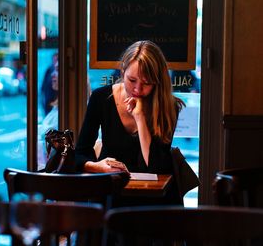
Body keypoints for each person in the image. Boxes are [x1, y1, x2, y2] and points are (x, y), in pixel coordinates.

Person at [75, 40, 185, 205]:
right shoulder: (101, 98)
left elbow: (156, 167)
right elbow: (79, 154)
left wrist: (140, 118)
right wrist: (98, 167)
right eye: (132, 80)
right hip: (112, 193)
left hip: (155, 200)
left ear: (157, 82)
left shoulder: (168, 107)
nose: (138, 89)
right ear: (122, 70)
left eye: (147, 83)